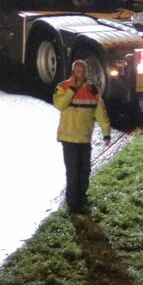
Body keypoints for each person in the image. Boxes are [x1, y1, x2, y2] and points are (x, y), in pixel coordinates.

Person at [53, 60, 111, 215]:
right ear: (73, 72)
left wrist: (106, 132)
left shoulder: (92, 90)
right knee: (73, 172)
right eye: (78, 71)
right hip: (69, 138)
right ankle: (73, 204)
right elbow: (59, 104)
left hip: (84, 138)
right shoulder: (64, 87)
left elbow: (100, 112)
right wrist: (72, 89)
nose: (81, 74)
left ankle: (81, 198)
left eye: (83, 71)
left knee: (84, 171)